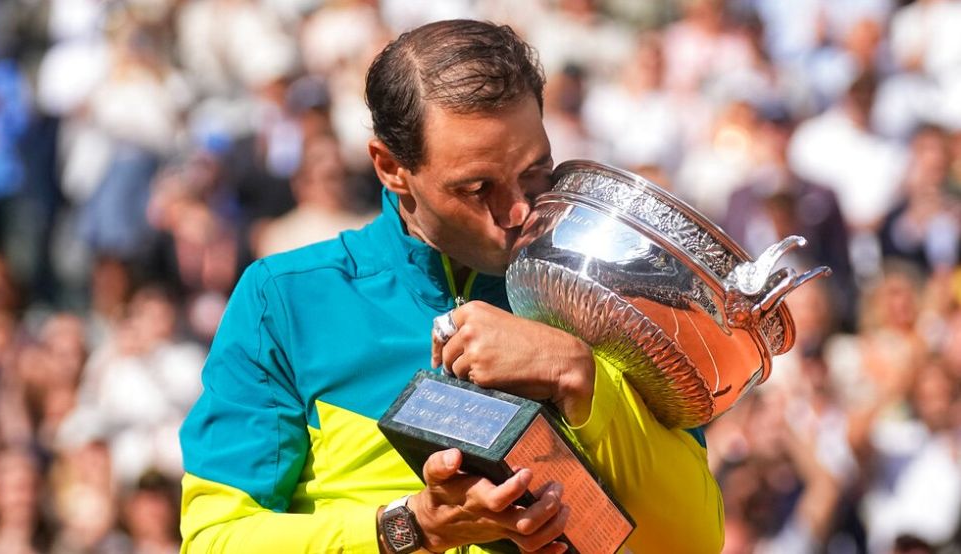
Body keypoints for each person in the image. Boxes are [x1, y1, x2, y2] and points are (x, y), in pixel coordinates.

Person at [179, 19, 723, 553]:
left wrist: (578, 373)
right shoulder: (285, 298)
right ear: (390, 167)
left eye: (535, 171)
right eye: (477, 186)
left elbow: (695, 542)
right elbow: (214, 540)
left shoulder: (606, 291)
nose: (517, 210)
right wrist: (410, 529)